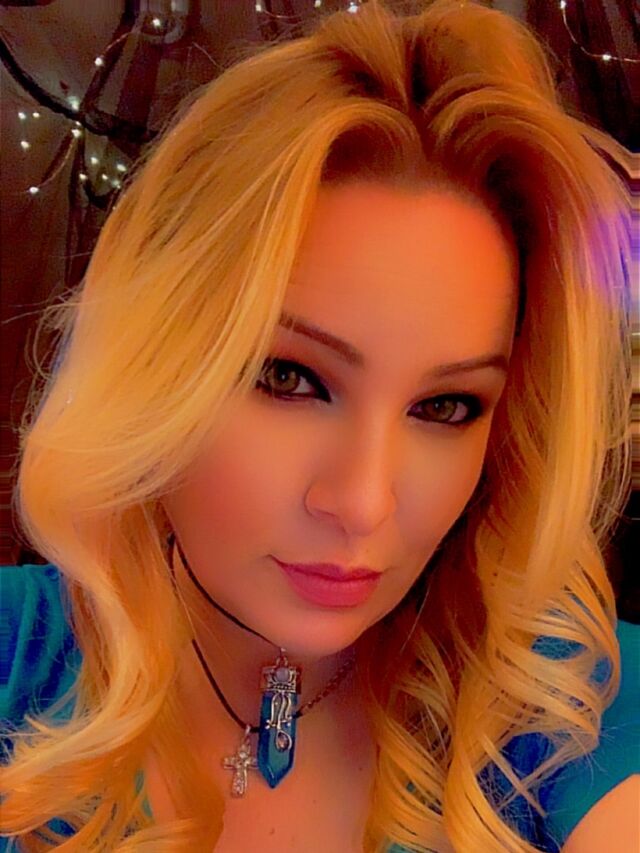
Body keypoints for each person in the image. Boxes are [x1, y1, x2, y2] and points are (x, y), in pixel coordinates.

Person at [0, 0, 637, 850]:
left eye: (445, 406)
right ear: (155, 363)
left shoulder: (569, 704)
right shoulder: (15, 658)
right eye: (289, 378)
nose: (364, 502)